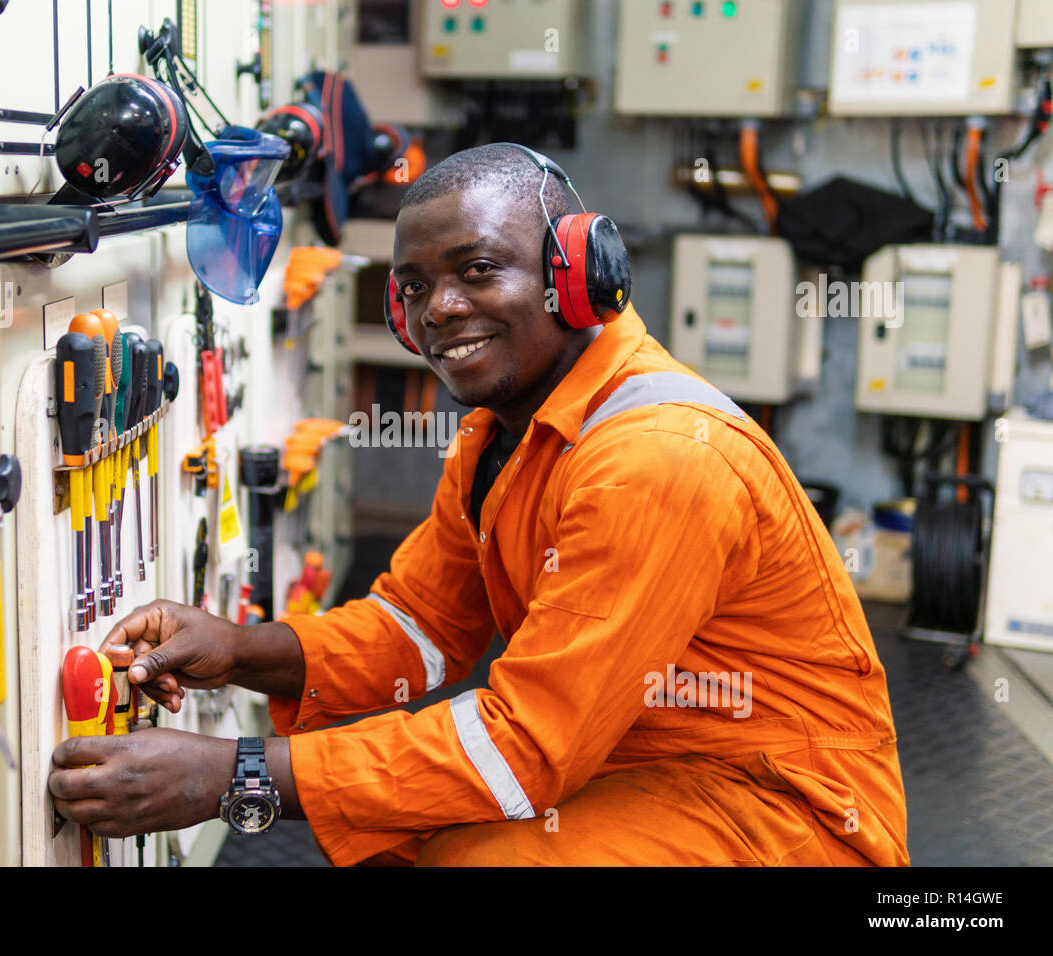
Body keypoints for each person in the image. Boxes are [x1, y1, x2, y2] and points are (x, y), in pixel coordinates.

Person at [50, 143, 910, 866]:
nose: (441, 309)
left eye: (478, 269)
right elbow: (417, 628)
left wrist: (228, 776)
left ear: (580, 276)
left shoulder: (656, 460)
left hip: (785, 810)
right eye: (414, 288)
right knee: (404, 822)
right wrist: (240, 649)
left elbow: (527, 745)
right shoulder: (504, 437)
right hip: (640, 760)